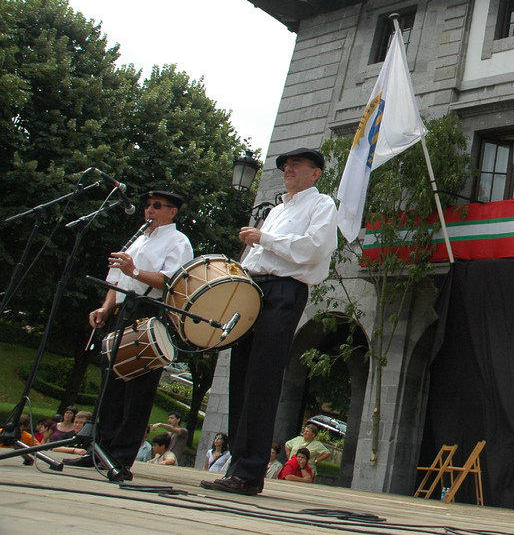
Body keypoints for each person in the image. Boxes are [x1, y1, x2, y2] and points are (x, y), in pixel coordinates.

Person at [202, 147, 339, 496]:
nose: (288, 169)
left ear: (315, 173)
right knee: (242, 374)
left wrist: (263, 237)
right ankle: (237, 466)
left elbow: (313, 248)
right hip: (253, 288)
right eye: (285, 166)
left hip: (284, 290)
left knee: (263, 377)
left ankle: (250, 472)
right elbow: (256, 256)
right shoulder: (277, 209)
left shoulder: (321, 204)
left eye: (296, 165)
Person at [63, 191, 193, 476]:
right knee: (110, 383)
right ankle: (99, 449)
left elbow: (172, 281)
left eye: (156, 206)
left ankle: (121, 456)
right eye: (147, 205)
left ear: (172, 211)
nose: (149, 210)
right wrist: (105, 308)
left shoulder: (178, 241)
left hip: (149, 310)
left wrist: (134, 271)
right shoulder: (138, 239)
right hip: (124, 310)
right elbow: (116, 281)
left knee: (138, 387)